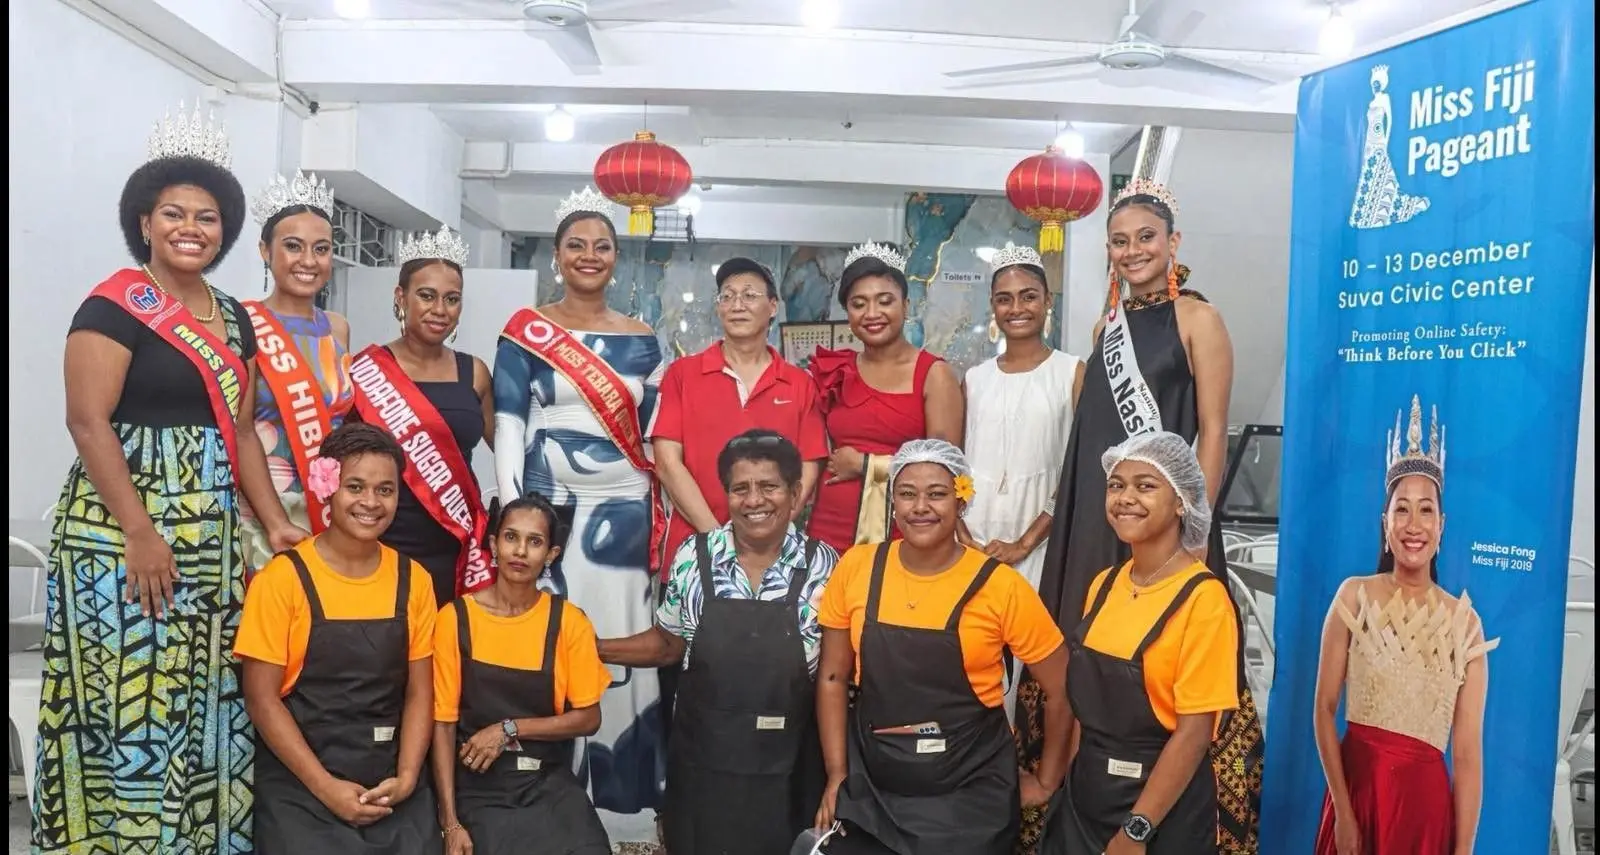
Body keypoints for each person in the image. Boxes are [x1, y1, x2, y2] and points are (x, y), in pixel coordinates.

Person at [31, 103, 307, 854]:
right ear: (145, 222)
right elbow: (88, 422)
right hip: (120, 534)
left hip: (212, 535)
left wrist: (274, 519)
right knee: (132, 703)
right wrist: (140, 531)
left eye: (209, 217)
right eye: (175, 213)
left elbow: (242, 427)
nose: (193, 227)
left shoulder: (233, 317)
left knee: (202, 697)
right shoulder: (113, 305)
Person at [1020, 180, 1260, 853]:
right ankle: (1063, 783)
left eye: (1146, 237)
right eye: (1120, 241)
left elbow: (1212, 431)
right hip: (1097, 516)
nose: (1133, 250)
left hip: (1168, 522)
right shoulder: (1107, 328)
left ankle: (1160, 806)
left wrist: (1195, 528)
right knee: (1081, 649)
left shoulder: (1198, 319)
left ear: (1173, 243)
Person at [492, 186, 667, 816]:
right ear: (557, 256)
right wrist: (514, 522)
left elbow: (656, 435)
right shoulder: (525, 333)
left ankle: (626, 796)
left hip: (626, 506)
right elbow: (509, 424)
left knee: (620, 633)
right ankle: (544, 790)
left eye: (602, 246)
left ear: (616, 258)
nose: (589, 256)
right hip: (551, 503)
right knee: (547, 635)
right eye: (576, 246)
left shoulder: (643, 337)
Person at [813, 440, 1070, 855]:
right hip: (875, 787)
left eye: (937, 493)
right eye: (907, 493)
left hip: (970, 797)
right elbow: (832, 676)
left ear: (961, 501)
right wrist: (838, 773)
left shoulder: (999, 586)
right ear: (892, 500)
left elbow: (1062, 688)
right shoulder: (857, 568)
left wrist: (1046, 779)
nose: (921, 507)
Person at [599, 430, 840, 855]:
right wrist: (594, 647)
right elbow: (668, 646)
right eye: (740, 488)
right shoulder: (695, 555)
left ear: (795, 492)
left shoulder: (825, 565)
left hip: (790, 771)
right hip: (703, 770)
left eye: (769, 487)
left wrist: (839, 772)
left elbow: (835, 675)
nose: (755, 500)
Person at [234, 423, 441, 852]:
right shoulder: (282, 579)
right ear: (327, 487)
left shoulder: (415, 581)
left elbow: (420, 694)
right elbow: (261, 699)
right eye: (355, 486)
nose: (370, 502)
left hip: (388, 782)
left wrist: (405, 777)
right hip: (303, 786)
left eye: (385, 490)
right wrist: (326, 787)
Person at [1039, 431, 1242, 855]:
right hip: (1085, 802)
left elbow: (1193, 736)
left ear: (1182, 500)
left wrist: (1135, 832)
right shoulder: (1104, 585)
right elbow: (1085, 710)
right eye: (1117, 485)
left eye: (1145, 486)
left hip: (1160, 817)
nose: (1125, 497)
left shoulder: (1204, 600)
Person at [1312, 397, 1495, 855]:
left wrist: (1463, 850)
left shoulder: (1465, 626)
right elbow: (1323, 707)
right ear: (1385, 523)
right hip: (1356, 798)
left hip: (1423, 813)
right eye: (1402, 509)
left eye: (1426, 509)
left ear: (1443, 525)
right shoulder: (1353, 596)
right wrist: (1345, 813)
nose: (1414, 525)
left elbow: (1468, 758)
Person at [432, 493, 613, 855]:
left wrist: (509, 728)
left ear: (551, 555)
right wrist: (450, 823)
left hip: (547, 782)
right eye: (511, 537)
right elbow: (442, 725)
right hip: (478, 787)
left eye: (535, 541)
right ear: (494, 544)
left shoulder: (568, 622)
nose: (520, 551)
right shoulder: (456, 619)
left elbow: (589, 718)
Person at [960, 242, 1081, 715]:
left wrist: (1026, 542)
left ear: (1048, 300)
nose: (1017, 308)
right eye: (1005, 298)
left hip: (1041, 539)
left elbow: (1074, 468)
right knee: (974, 651)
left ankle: (1027, 769)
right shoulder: (972, 378)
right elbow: (954, 462)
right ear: (993, 306)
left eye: (1029, 296)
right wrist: (964, 537)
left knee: (1034, 657)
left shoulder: (1071, 372)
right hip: (974, 535)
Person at [349, 225, 496, 608]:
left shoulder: (475, 372)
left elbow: (510, 450)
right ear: (402, 297)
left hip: (455, 543)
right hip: (379, 541)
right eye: (426, 296)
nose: (439, 310)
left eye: (452, 299)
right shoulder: (364, 371)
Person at [652, 257, 829, 561]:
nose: (737, 304)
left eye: (749, 295)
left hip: (774, 556)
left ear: (773, 307)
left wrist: (768, 533)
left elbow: (809, 466)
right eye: (727, 296)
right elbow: (668, 463)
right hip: (694, 552)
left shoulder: (800, 384)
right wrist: (718, 541)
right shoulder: (682, 374)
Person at [807, 243, 965, 554]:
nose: (872, 314)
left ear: (906, 306)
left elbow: (946, 468)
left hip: (905, 527)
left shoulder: (933, 374)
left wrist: (866, 465)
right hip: (829, 526)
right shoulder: (837, 370)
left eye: (885, 301)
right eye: (858, 304)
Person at [239, 170, 353, 568]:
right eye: (293, 246)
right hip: (265, 508)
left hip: (330, 505)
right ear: (265, 251)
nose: (309, 261)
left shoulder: (337, 328)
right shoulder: (243, 323)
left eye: (321, 249)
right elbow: (239, 430)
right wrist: (272, 521)